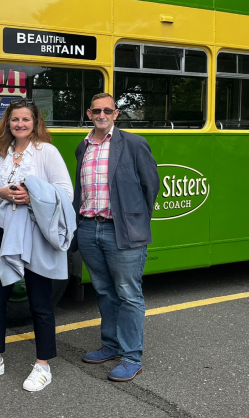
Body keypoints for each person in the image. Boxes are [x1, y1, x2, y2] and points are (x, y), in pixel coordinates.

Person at [0, 99, 74, 392]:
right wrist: (2, 192)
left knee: (40, 301)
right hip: (3, 234)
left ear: (35, 122)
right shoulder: (2, 154)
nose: (20, 124)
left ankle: (43, 366)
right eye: (15, 120)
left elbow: (66, 192)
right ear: (8, 124)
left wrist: (32, 197)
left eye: (26, 119)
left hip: (36, 234)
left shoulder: (47, 152)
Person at [74, 93, 159, 382]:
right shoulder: (82, 147)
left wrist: (134, 221)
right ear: (89, 113)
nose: (101, 114)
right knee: (105, 292)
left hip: (120, 230)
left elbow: (150, 187)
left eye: (107, 110)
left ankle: (132, 356)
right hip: (88, 227)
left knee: (128, 294)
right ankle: (110, 345)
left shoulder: (133, 144)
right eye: (96, 110)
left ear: (116, 113)